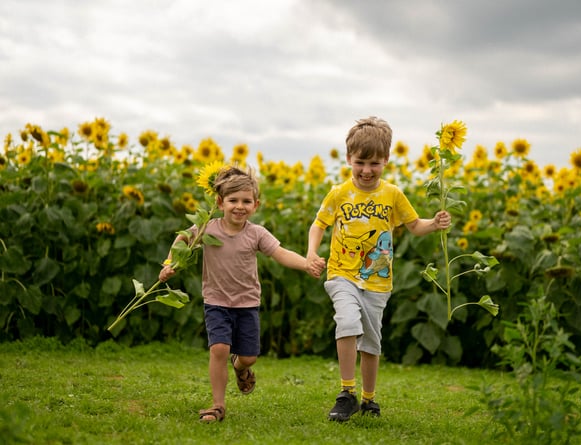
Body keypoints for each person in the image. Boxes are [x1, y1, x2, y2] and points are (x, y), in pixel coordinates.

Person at [306, 116, 451, 422]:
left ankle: (369, 399)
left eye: (374, 163)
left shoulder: (392, 194)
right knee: (346, 322)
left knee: (371, 341)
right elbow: (318, 225)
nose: (367, 170)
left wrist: (434, 223)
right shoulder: (338, 193)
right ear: (349, 159)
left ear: (386, 160)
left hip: (377, 279)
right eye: (360, 162)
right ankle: (346, 392)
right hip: (342, 273)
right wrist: (310, 253)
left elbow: (414, 225)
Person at [159, 166, 323, 423]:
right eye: (233, 200)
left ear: (256, 204)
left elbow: (280, 253)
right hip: (216, 301)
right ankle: (218, 405)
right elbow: (183, 239)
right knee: (219, 349)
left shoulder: (256, 233)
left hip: (247, 304)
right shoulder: (207, 228)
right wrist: (170, 263)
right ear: (220, 202)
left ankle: (240, 367)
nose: (239, 206)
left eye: (246, 201)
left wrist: (305, 263)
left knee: (249, 357)